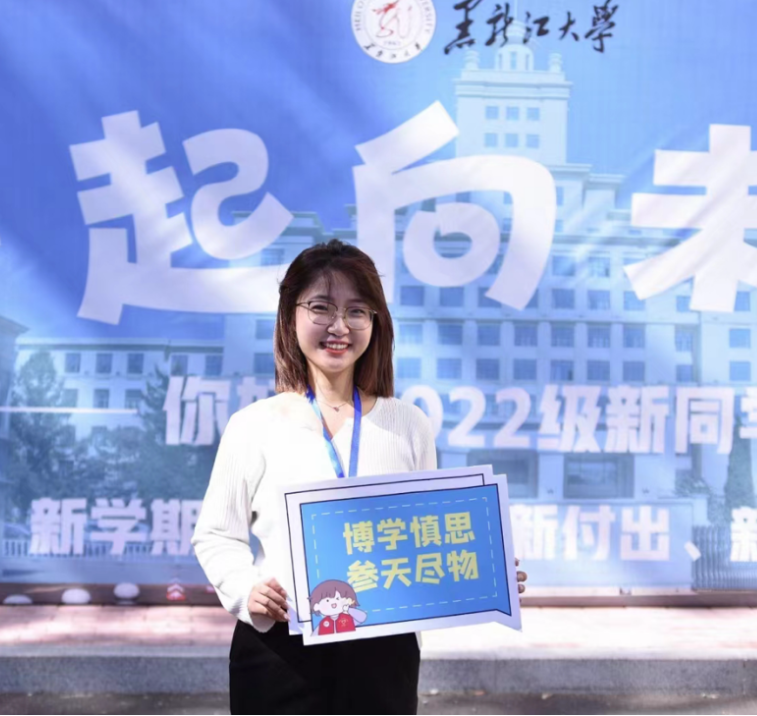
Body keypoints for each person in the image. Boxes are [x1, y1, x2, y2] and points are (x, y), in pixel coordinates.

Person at [192, 239, 527, 714]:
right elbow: (215, 535)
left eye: (356, 311)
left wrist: (486, 570)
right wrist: (247, 590)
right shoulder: (253, 425)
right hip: (281, 648)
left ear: (375, 322)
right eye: (321, 307)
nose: (339, 326)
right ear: (290, 315)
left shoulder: (408, 423)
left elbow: (424, 534)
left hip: (383, 652)